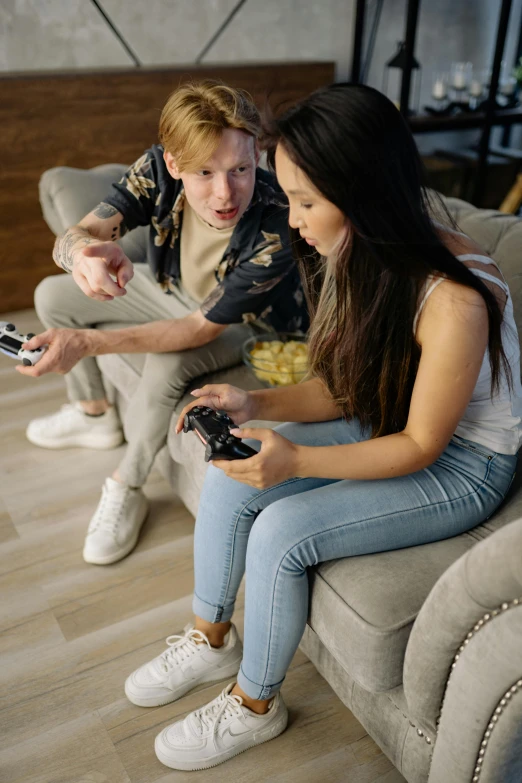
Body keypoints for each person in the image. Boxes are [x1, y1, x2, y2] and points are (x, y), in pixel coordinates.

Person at [122, 82, 522, 772]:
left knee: (281, 531)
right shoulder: (359, 252)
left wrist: (298, 463)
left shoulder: (455, 299)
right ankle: (211, 637)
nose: (291, 215)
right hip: (395, 416)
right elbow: (352, 390)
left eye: (304, 200)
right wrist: (256, 407)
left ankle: (255, 706)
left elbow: (425, 444)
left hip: (465, 464)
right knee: (235, 463)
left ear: (361, 195)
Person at [19, 80, 308, 566]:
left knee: (165, 364)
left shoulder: (277, 220)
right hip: (174, 291)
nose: (225, 193)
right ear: (174, 164)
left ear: (256, 152)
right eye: (204, 173)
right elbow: (77, 235)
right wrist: (83, 258)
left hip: (251, 328)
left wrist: (86, 343)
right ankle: (95, 414)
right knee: (52, 294)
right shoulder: (156, 168)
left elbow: (198, 331)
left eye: (240, 168)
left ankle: (126, 485)